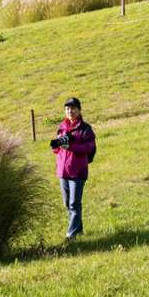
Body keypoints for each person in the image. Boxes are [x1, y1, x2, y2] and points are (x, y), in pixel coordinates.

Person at [49, 97, 96, 241]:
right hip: (63, 172)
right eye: (68, 109)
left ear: (79, 110)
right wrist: (56, 145)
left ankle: (71, 235)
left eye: (73, 108)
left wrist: (71, 146)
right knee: (67, 204)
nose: (70, 111)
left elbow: (89, 148)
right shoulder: (62, 127)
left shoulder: (85, 129)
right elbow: (57, 151)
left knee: (74, 204)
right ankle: (79, 230)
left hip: (77, 172)